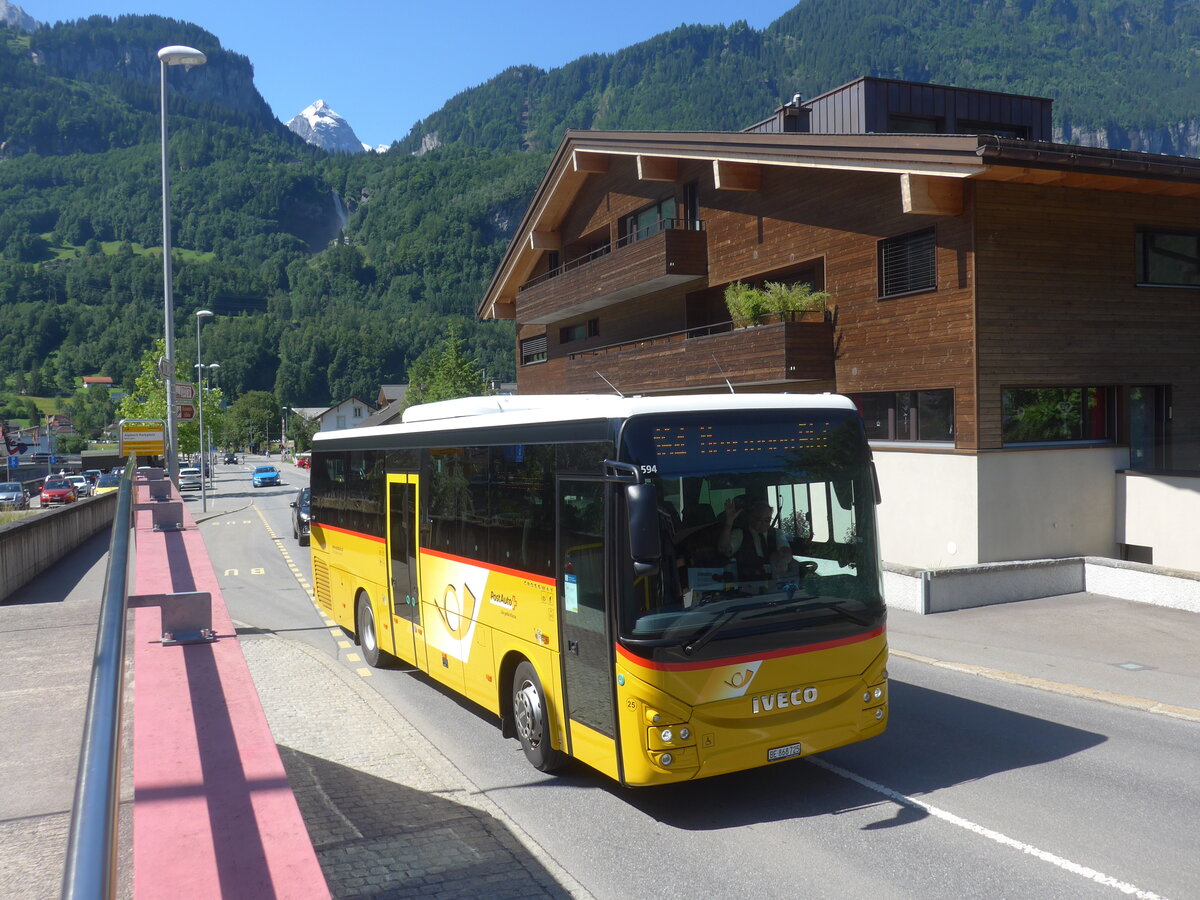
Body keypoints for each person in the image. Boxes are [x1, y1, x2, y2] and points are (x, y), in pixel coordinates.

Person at [717, 498, 792, 581]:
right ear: (750, 517)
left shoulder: (777, 533)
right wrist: (729, 522)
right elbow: (723, 549)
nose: (763, 523)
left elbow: (786, 550)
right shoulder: (740, 533)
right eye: (759, 519)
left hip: (774, 585)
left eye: (767, 520)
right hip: (747, 586)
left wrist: (784, 559)